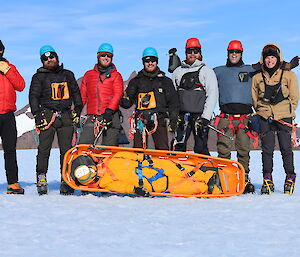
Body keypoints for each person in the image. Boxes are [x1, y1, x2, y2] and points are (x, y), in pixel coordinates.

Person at [29, 45, 83, 195]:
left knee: (66, 151)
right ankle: (41, 177)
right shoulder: (38, 77)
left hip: (66, 115)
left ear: (57, 58)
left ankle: (65, 179)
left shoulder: (68, 75)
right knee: (44, 149)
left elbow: (76, 94)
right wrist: (37, 114)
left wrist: (77, 110)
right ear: (42, 61)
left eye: (51, 57)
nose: (49, 60)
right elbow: (33, 96)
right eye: (45, 58)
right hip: (47, 116)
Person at [252, 43, 299, 195]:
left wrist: (290, 111)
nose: (270, 60)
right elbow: (254, 97)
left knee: (286, 148)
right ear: (263, 59)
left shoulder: (289, 75)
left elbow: (294, 96)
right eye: (267, 57)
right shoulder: (257, 77)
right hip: (265, 116)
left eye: (273, 57)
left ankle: (290, 177)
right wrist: (261, 110)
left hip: (284, 116)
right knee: (267, 149)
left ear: (278, 58)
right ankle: (267, 178)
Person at [213, 40, 256, 194]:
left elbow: (270, 65)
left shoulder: (251, 70)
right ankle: (224, 179)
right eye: (232, 52)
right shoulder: (218, 71)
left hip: (244, 118)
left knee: (244, 150)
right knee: (223, 150)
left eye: (237, 52)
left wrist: (287, 66)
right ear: (228, 53)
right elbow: (201, 75)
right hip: (225, 118)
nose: (234, 54)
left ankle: (244, 179)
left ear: (241, 53)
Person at [119, 47, 179, 150]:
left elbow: (173, 103)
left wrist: (173, 121)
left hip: (159, 119)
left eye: (153, 60)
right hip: (140, 120)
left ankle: (163, 166)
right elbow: (127, 103)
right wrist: (123, 98)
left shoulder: (165, 81)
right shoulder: (136, 81)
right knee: (138, 150)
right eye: (147, 61)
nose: (150, 63)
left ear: (157, 62)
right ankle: (138, 166)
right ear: (143, 62)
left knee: (162, 150)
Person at [172, 38, 218, 155]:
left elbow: (212, 94)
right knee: (178, 147)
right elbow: (173, 95)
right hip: (181, 117)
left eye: (195, 51)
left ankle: (206, 172)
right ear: (185, 53)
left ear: (200, 53)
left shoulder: (206, 71)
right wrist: (173, 116)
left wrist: (206, 117)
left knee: (201, 147)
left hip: (200, 117)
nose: (192, 54)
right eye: (190, 51)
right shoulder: (177, 72)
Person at [79, 43, 123, 146]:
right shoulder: (88, 75)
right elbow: (83, 95)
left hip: (111, 116)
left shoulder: (116, 76)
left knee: (108, 150)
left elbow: (118, 94)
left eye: (109, 55)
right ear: (98, 56)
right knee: (83, 147)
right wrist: (77, 109)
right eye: (103, 55)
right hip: (93, 116)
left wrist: (109, 110)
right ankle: (86, 162)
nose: (106, 58)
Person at [0, 40, 26, 194]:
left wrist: (7, 70)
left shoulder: (9, 67)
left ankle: (13, 184)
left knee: (10, 150)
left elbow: (21, 85)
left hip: (8, 115)